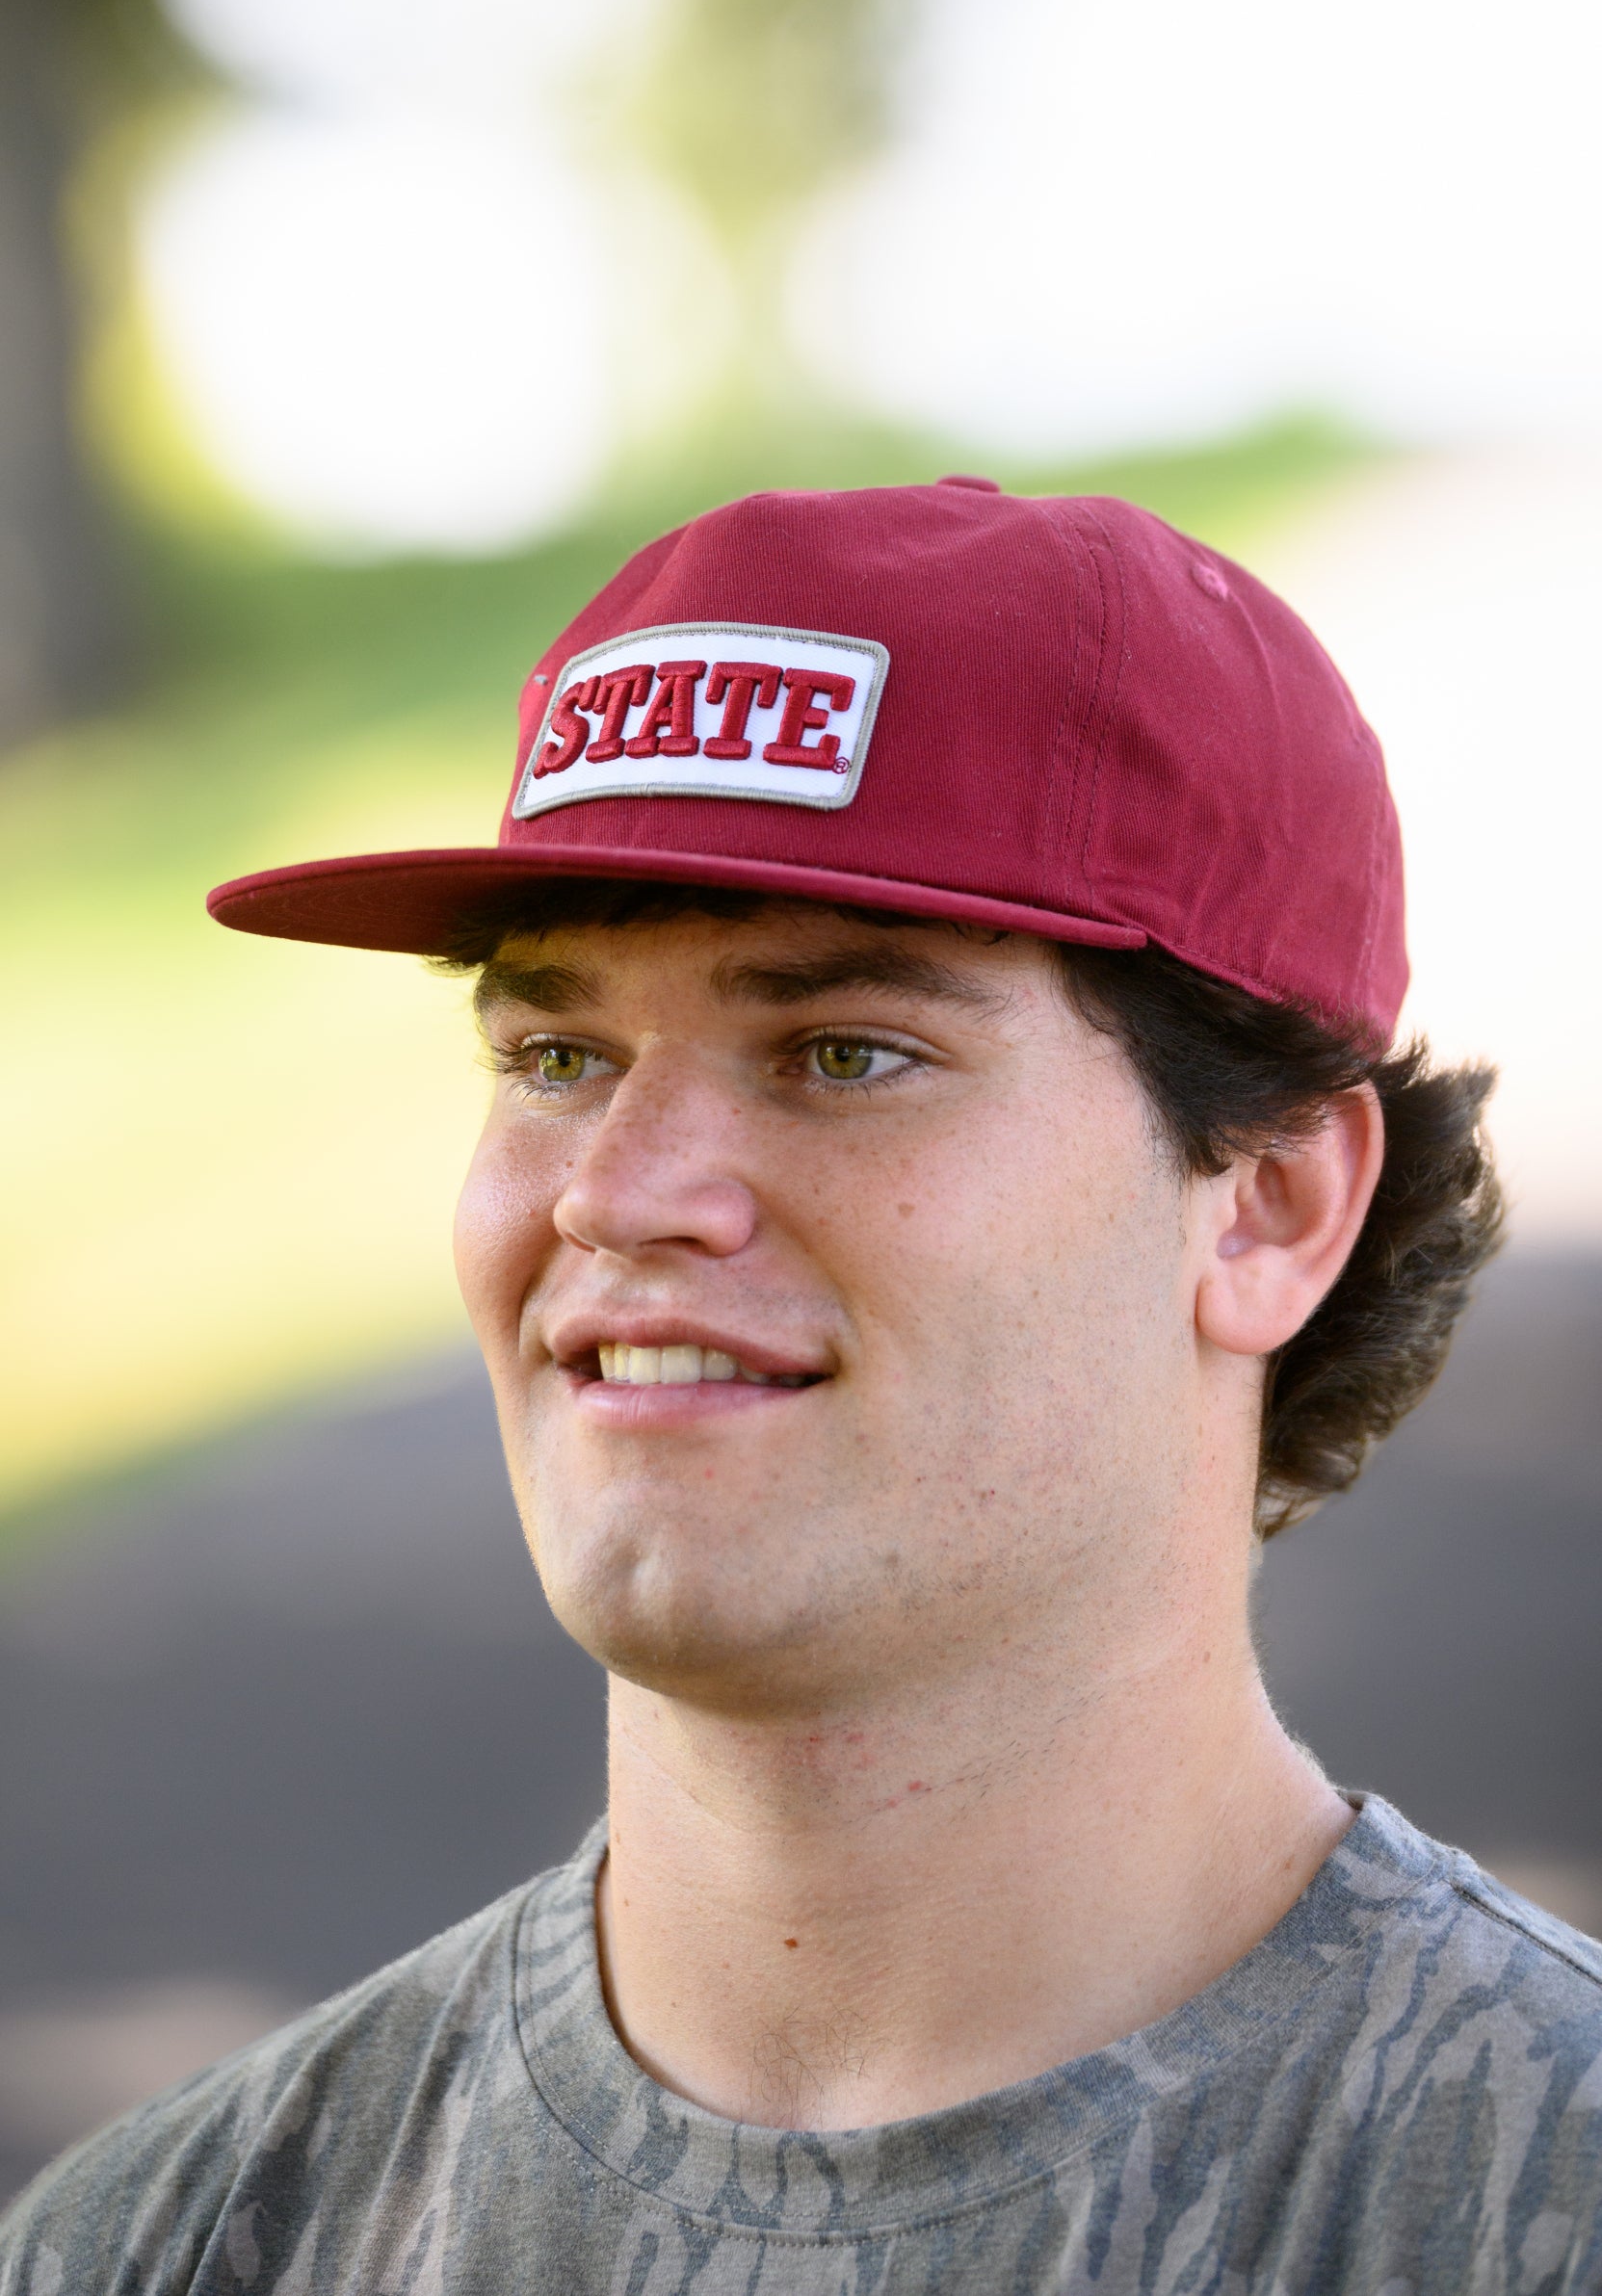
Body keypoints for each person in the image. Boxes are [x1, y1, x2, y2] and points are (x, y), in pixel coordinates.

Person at [3, 479, 1596, 2294]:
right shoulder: (170, 2248)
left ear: (1268, 1206)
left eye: (844, 1050)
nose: (616, 1186)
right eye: (554, 1051)